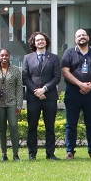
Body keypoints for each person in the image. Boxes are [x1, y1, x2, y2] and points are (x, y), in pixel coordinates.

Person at [60, 29, 91, 160]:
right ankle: (70, 151)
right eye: (79, 36)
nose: (81, 37)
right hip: (73, 91)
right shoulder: (69, 52)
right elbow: (65, 72)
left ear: (88, 37)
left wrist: (90, 86)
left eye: (83, 35)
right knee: (71, 123)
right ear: (75, 39)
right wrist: (80, 84)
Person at [22, 31, 61, 160]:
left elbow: (57, 77)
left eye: (42, 40)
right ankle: (32, 153)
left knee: (50, 126)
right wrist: (37, 91)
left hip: (50, 97)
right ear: (34, 43)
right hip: (33, 98)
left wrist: (44, 89)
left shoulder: (54, 58)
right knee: (32, 126)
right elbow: (25, 78)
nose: (40, 42)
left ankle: (50, 153)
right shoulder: (28, 58)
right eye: (37, 40)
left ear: (46, 42)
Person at [0, 49, 23, 161]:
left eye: (6, 55)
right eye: (2, 55)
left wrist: (19, 104)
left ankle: (15, 154)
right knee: (1, 128)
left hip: (12, 102)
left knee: (14, 127)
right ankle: (4, 154)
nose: (4, 57)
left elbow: (19, 88)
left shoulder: (16, 70)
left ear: (9, 56)